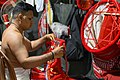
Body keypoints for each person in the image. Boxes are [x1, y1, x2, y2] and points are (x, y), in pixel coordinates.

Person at [0, 1, 65, 80]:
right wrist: (52, 55)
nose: (32, 22)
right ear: (20, 17)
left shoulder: (12, 31)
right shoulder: (14, 36)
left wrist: (44, 38)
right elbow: (25, 63)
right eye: (29, 19)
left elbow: (30, 45)